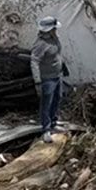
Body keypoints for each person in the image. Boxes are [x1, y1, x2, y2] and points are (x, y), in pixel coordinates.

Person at [30, 16, 64, 144]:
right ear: (49, 30)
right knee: (46, 103)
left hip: (57, 75)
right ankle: (46, 129)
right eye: (54, 28)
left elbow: (57, 55)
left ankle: (54, 123)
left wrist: (62, 67)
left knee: (57, 99)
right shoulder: (41, 44)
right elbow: (34, 62)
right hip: (47, 79)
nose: (56, 30)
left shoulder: (54, 39)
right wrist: (37, 80)